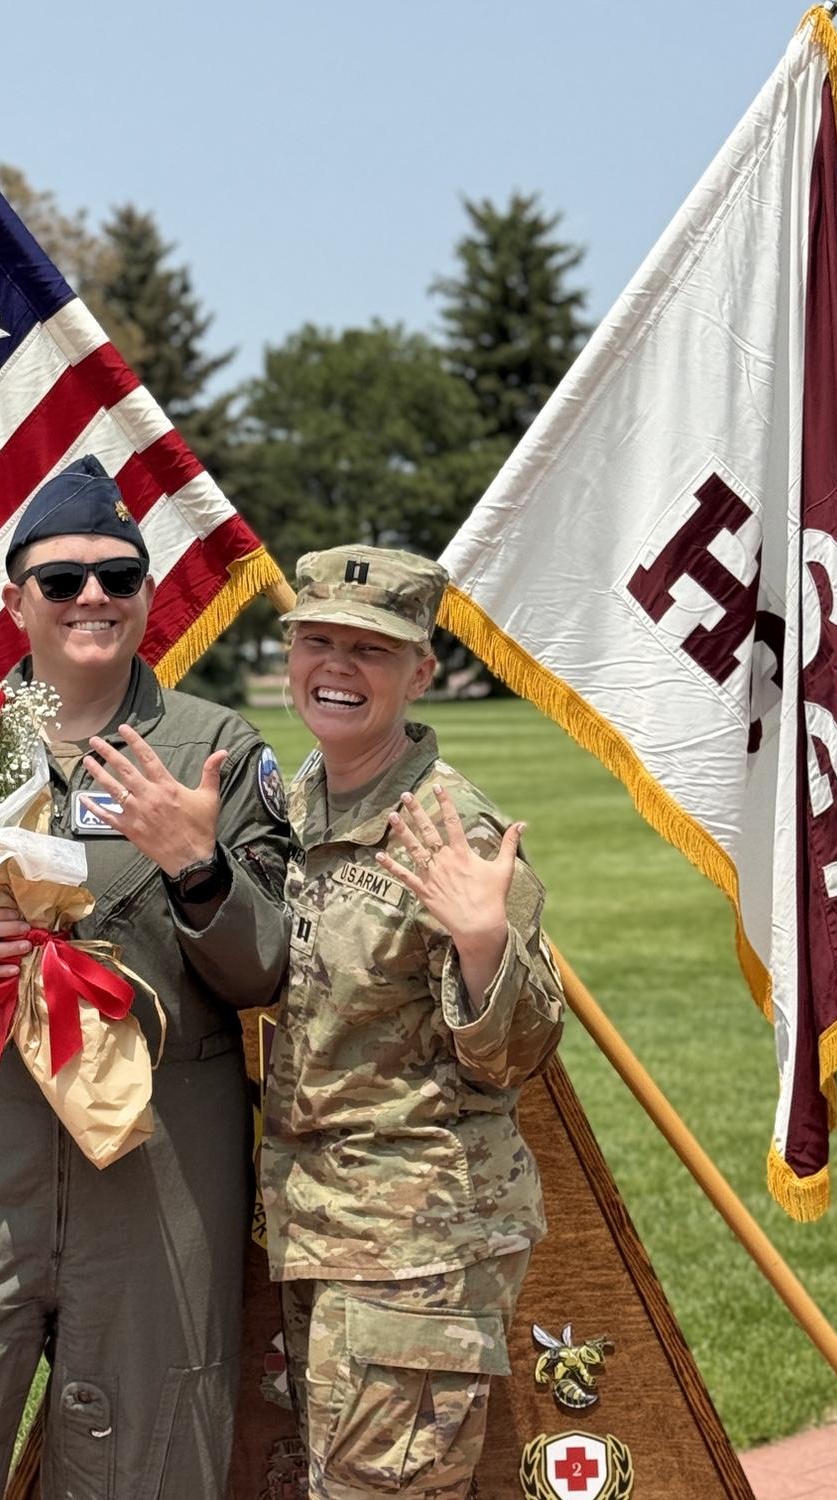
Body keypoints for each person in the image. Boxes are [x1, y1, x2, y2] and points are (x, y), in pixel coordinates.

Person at [0, 456, 292, 1499]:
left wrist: (195, 864)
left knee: (150, 1464)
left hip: (154, 1170)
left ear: (147, 594)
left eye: (119, 577)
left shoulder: (216, 751)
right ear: (14, 599)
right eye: (63, 580)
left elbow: (264, 968)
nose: (93, 598)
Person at [262, 544, 566, 1500]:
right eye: (319, 642)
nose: (338, 668)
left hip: (416, 1248)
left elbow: (520, 1052)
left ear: (421, 671)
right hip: (320, 1229)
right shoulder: (295, 800)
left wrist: (485, 945)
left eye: (373, 650)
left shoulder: (452, 830)